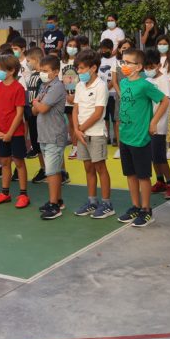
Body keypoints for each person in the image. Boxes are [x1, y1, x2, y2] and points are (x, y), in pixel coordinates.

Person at [116, 48, 169, 227]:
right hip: (125, 136)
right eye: (122, 62)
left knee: (143, 176)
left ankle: (146, 209)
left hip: (140, 138)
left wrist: (153, 122)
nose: (124, 65)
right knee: (130, 174)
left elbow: (164, 101)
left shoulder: (145, 85)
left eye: (128, 62)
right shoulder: (123, 83)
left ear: (138, 67)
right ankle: (135, 206)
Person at [73, 49, 113, 218]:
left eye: (82, 68)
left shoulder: (101, 86)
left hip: (96, 134)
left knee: (100, 168)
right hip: (82, 134)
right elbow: (75, 109)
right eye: (78, 68)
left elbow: (98, 113)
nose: (79, 71)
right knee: (88, 168)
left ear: (93, 68)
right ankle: (92, 201)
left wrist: (80, 129)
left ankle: (107, 204)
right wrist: (76, 130)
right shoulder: (79, 85)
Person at [0, 55, 30, 207]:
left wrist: (10, 133)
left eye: (0, 69)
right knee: (4, 162)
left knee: (19, 162)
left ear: (12, 70)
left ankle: (23, 195)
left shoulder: (18, 88)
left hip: (15, 133)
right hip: (1, 133)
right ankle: (5, 193)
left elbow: (19, 114)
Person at [32, 55, 68, 220]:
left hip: (54, 135)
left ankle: (54, 205)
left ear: (55, 72)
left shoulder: (57, 87)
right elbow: (35, 110)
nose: (42, 74)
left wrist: (37, 103)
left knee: (52, 172)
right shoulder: (44, 86)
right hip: (44, 134)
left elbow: (42, 108)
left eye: (46, 71)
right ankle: (57, 200)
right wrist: (37, 104)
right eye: (41, 70)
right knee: (52, 170)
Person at [143, 49, 170, 199]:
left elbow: (165, 102)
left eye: (151, 67)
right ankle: (160, 181)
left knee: (159, 156)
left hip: (159, 123)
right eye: (146, 67)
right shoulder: (147, 80)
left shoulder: (163, 80)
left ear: (158, 65)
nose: (148, 70)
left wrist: (155, 121)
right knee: (152, 155)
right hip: (147, 122)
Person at [24, 48, 47, 182]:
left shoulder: (42, 76)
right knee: (35, 143)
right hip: (31, 114)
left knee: (43, 143)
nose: (27, 63)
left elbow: (41, 95)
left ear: (36, 60)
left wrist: (35, 109)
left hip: (39, 114)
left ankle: (51, 169)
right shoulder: (32, 75)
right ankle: (43, 168)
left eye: (28, 61)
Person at [110, 38, 134, 159]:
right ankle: (120, 148)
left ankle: (133, 146)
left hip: (133, 96)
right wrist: (120, 94)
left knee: (133, 121)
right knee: (119, 122)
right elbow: (114, 81)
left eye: (128, 48)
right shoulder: (116, 64)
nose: (126, 50)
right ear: (119, 49)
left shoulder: (135, 63)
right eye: (123, 48)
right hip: (120, 97)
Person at [61, 37, 80, 159]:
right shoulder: (62, 63)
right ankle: (75, 146)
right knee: (71, 123)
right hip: (67, 99)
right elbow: (60, 81)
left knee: (78, 122)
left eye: (74, 46)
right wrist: (67, 95)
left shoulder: (80, 62)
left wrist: (75, 96)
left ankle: (81, 146)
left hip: (78, 98)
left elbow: (83, 80)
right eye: (70, 45)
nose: (72, 48)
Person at [97, 39, 118, 146]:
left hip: (113, 93)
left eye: (106, 49)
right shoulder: (100, 61)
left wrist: (107, 88)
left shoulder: (116, 60)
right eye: (102, 49)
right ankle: (107, 137)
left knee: (114, 118)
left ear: (111, 49)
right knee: (105, 118)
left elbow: (115, 78)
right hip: (102, 94)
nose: (104, 51)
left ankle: (115, 137)